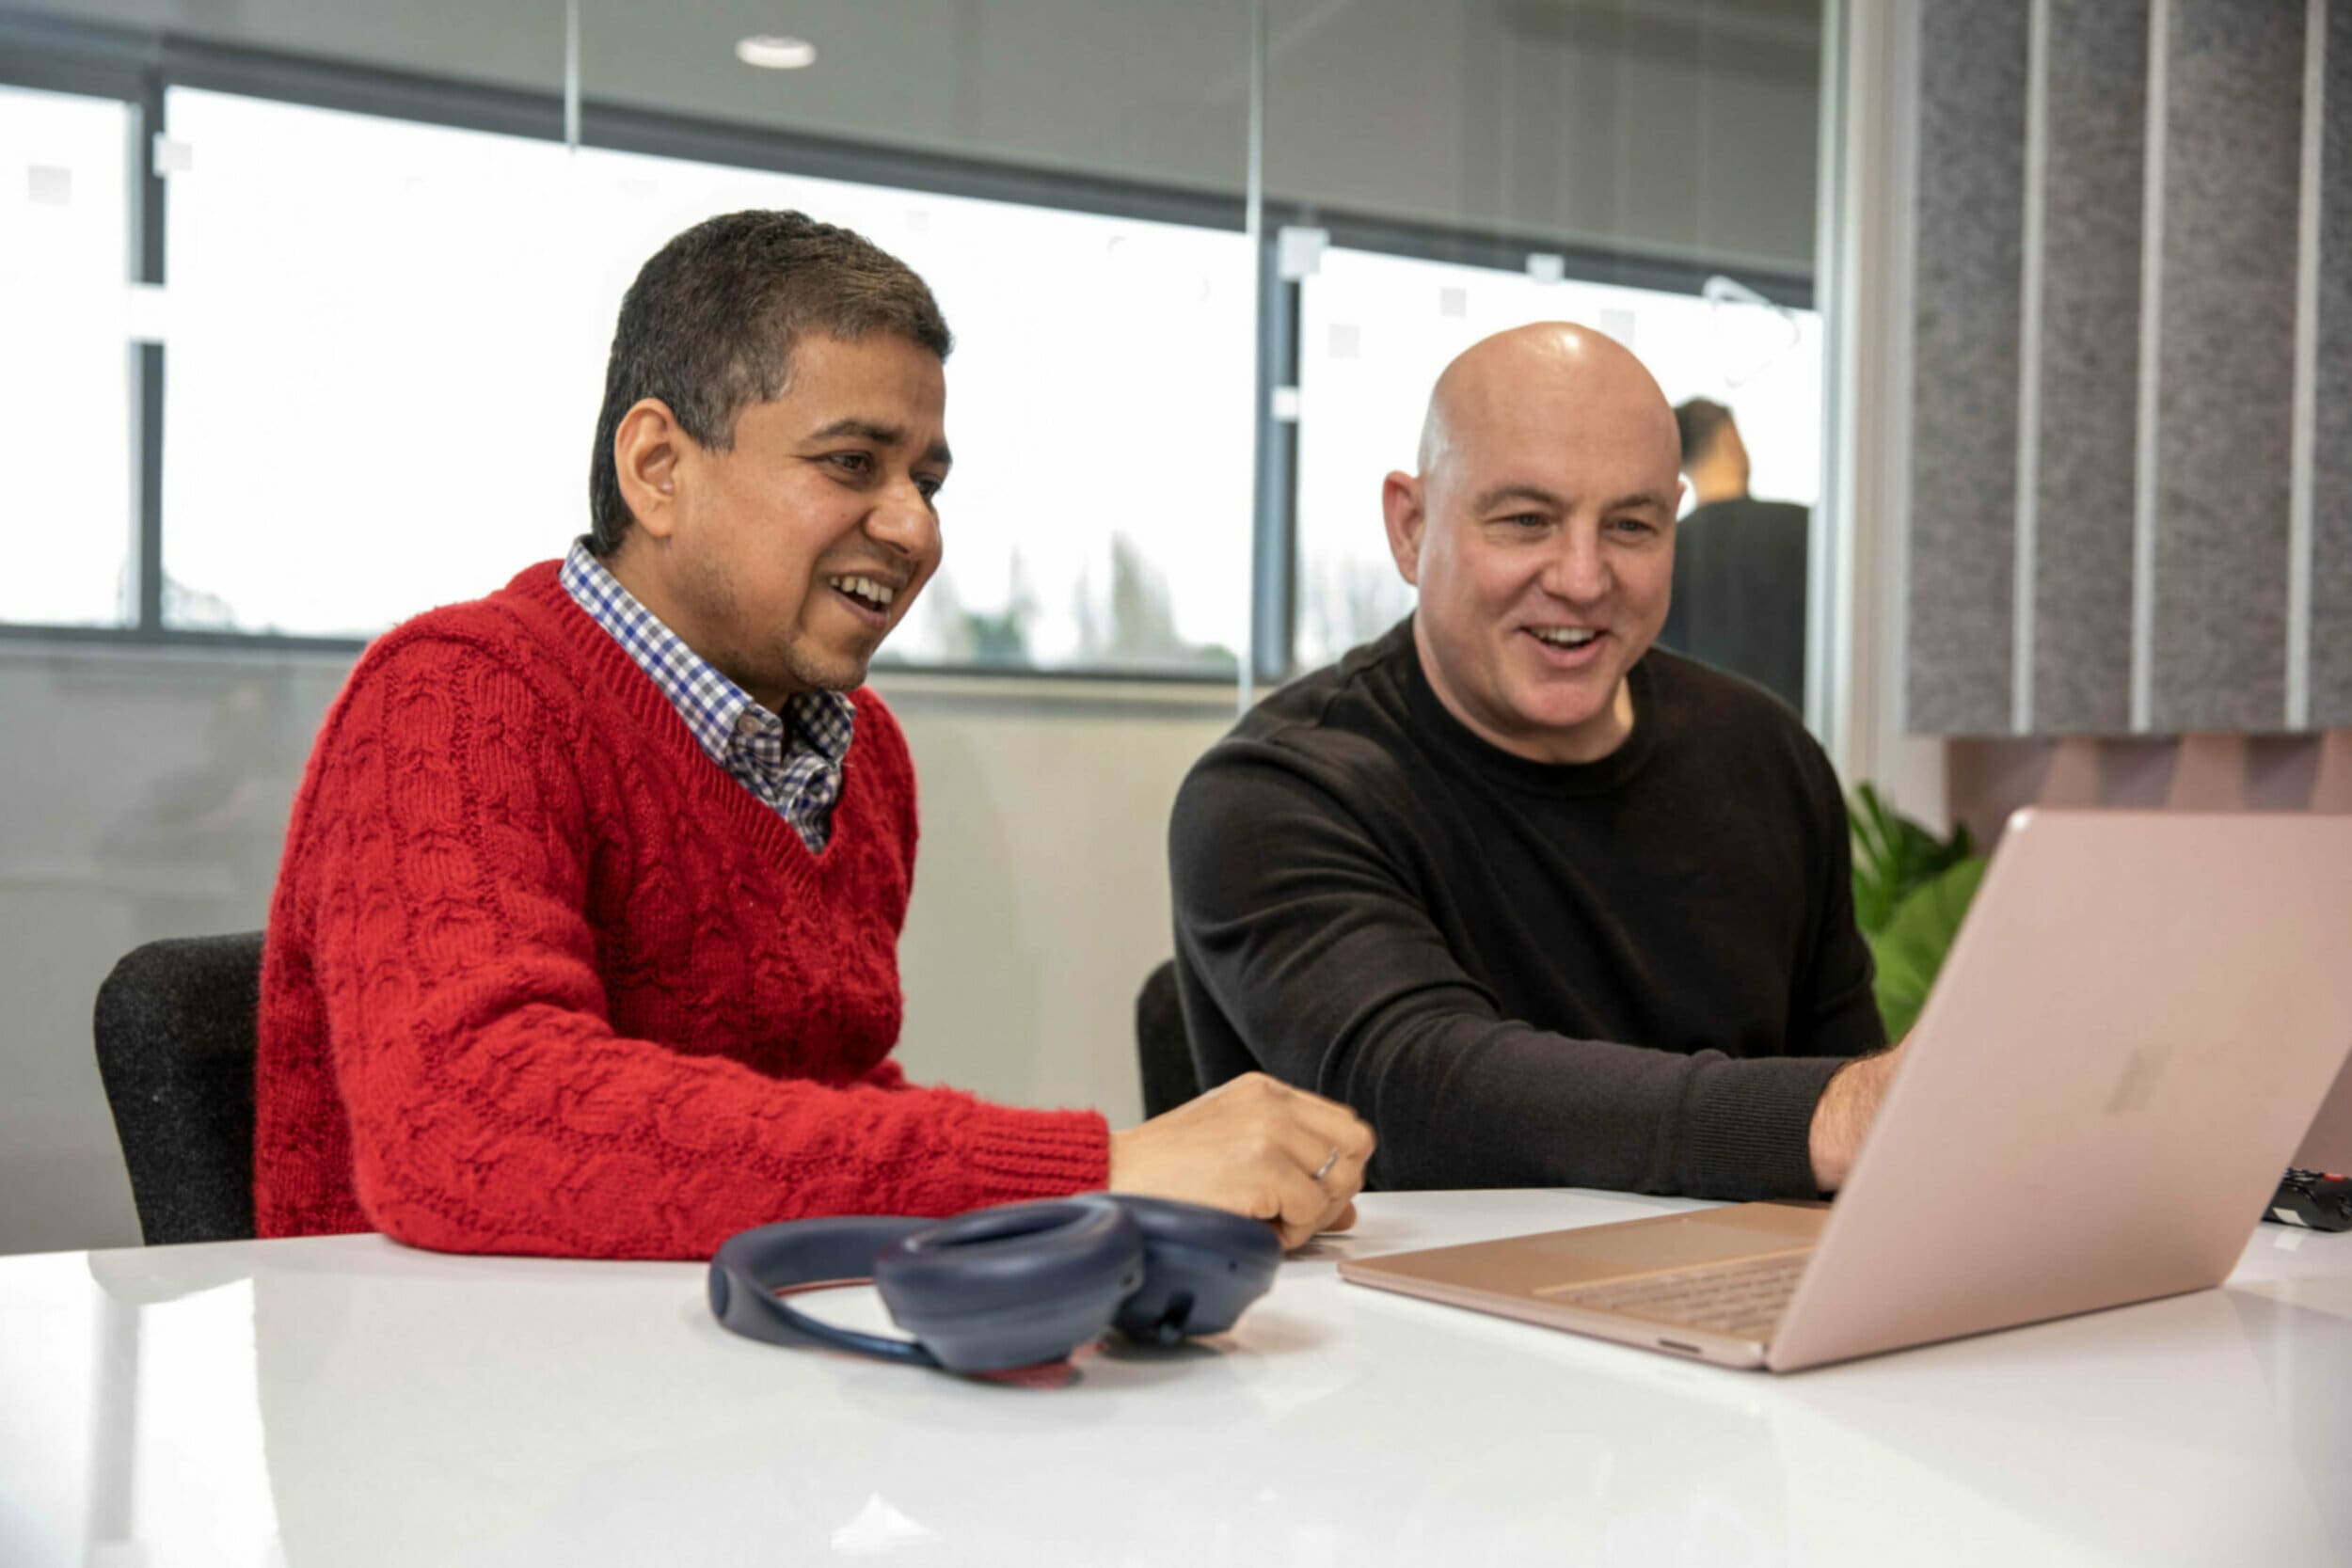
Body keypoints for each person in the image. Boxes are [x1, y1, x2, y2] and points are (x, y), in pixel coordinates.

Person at [254, 210, 1371, 1259]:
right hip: (448, 1420)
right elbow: (465, 1119)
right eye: (852, 463)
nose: (914, 527)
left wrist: (1131, 1191)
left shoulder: (858, 752)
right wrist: (1089, 1167)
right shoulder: (460, 694)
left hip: (730, 1388)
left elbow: (817, 1111)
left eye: (927, 480)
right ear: (658, 468)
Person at [1168, 324, 1898, 1201]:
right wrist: (1830, 1116)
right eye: (1526, 521)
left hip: (1733, 1303)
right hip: (1415, 1322)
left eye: (1631, 525)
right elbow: (1416, 1093)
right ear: (1410, 527)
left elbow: (1858, 1134)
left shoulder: (1765, 755)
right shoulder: (1278, 792)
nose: (1584, 579)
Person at [1656, 396, 1810, 713]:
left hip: (1693, 733)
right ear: (1730, 438)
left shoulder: (1663, 548)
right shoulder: (1808, 528)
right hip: (1804, 729)